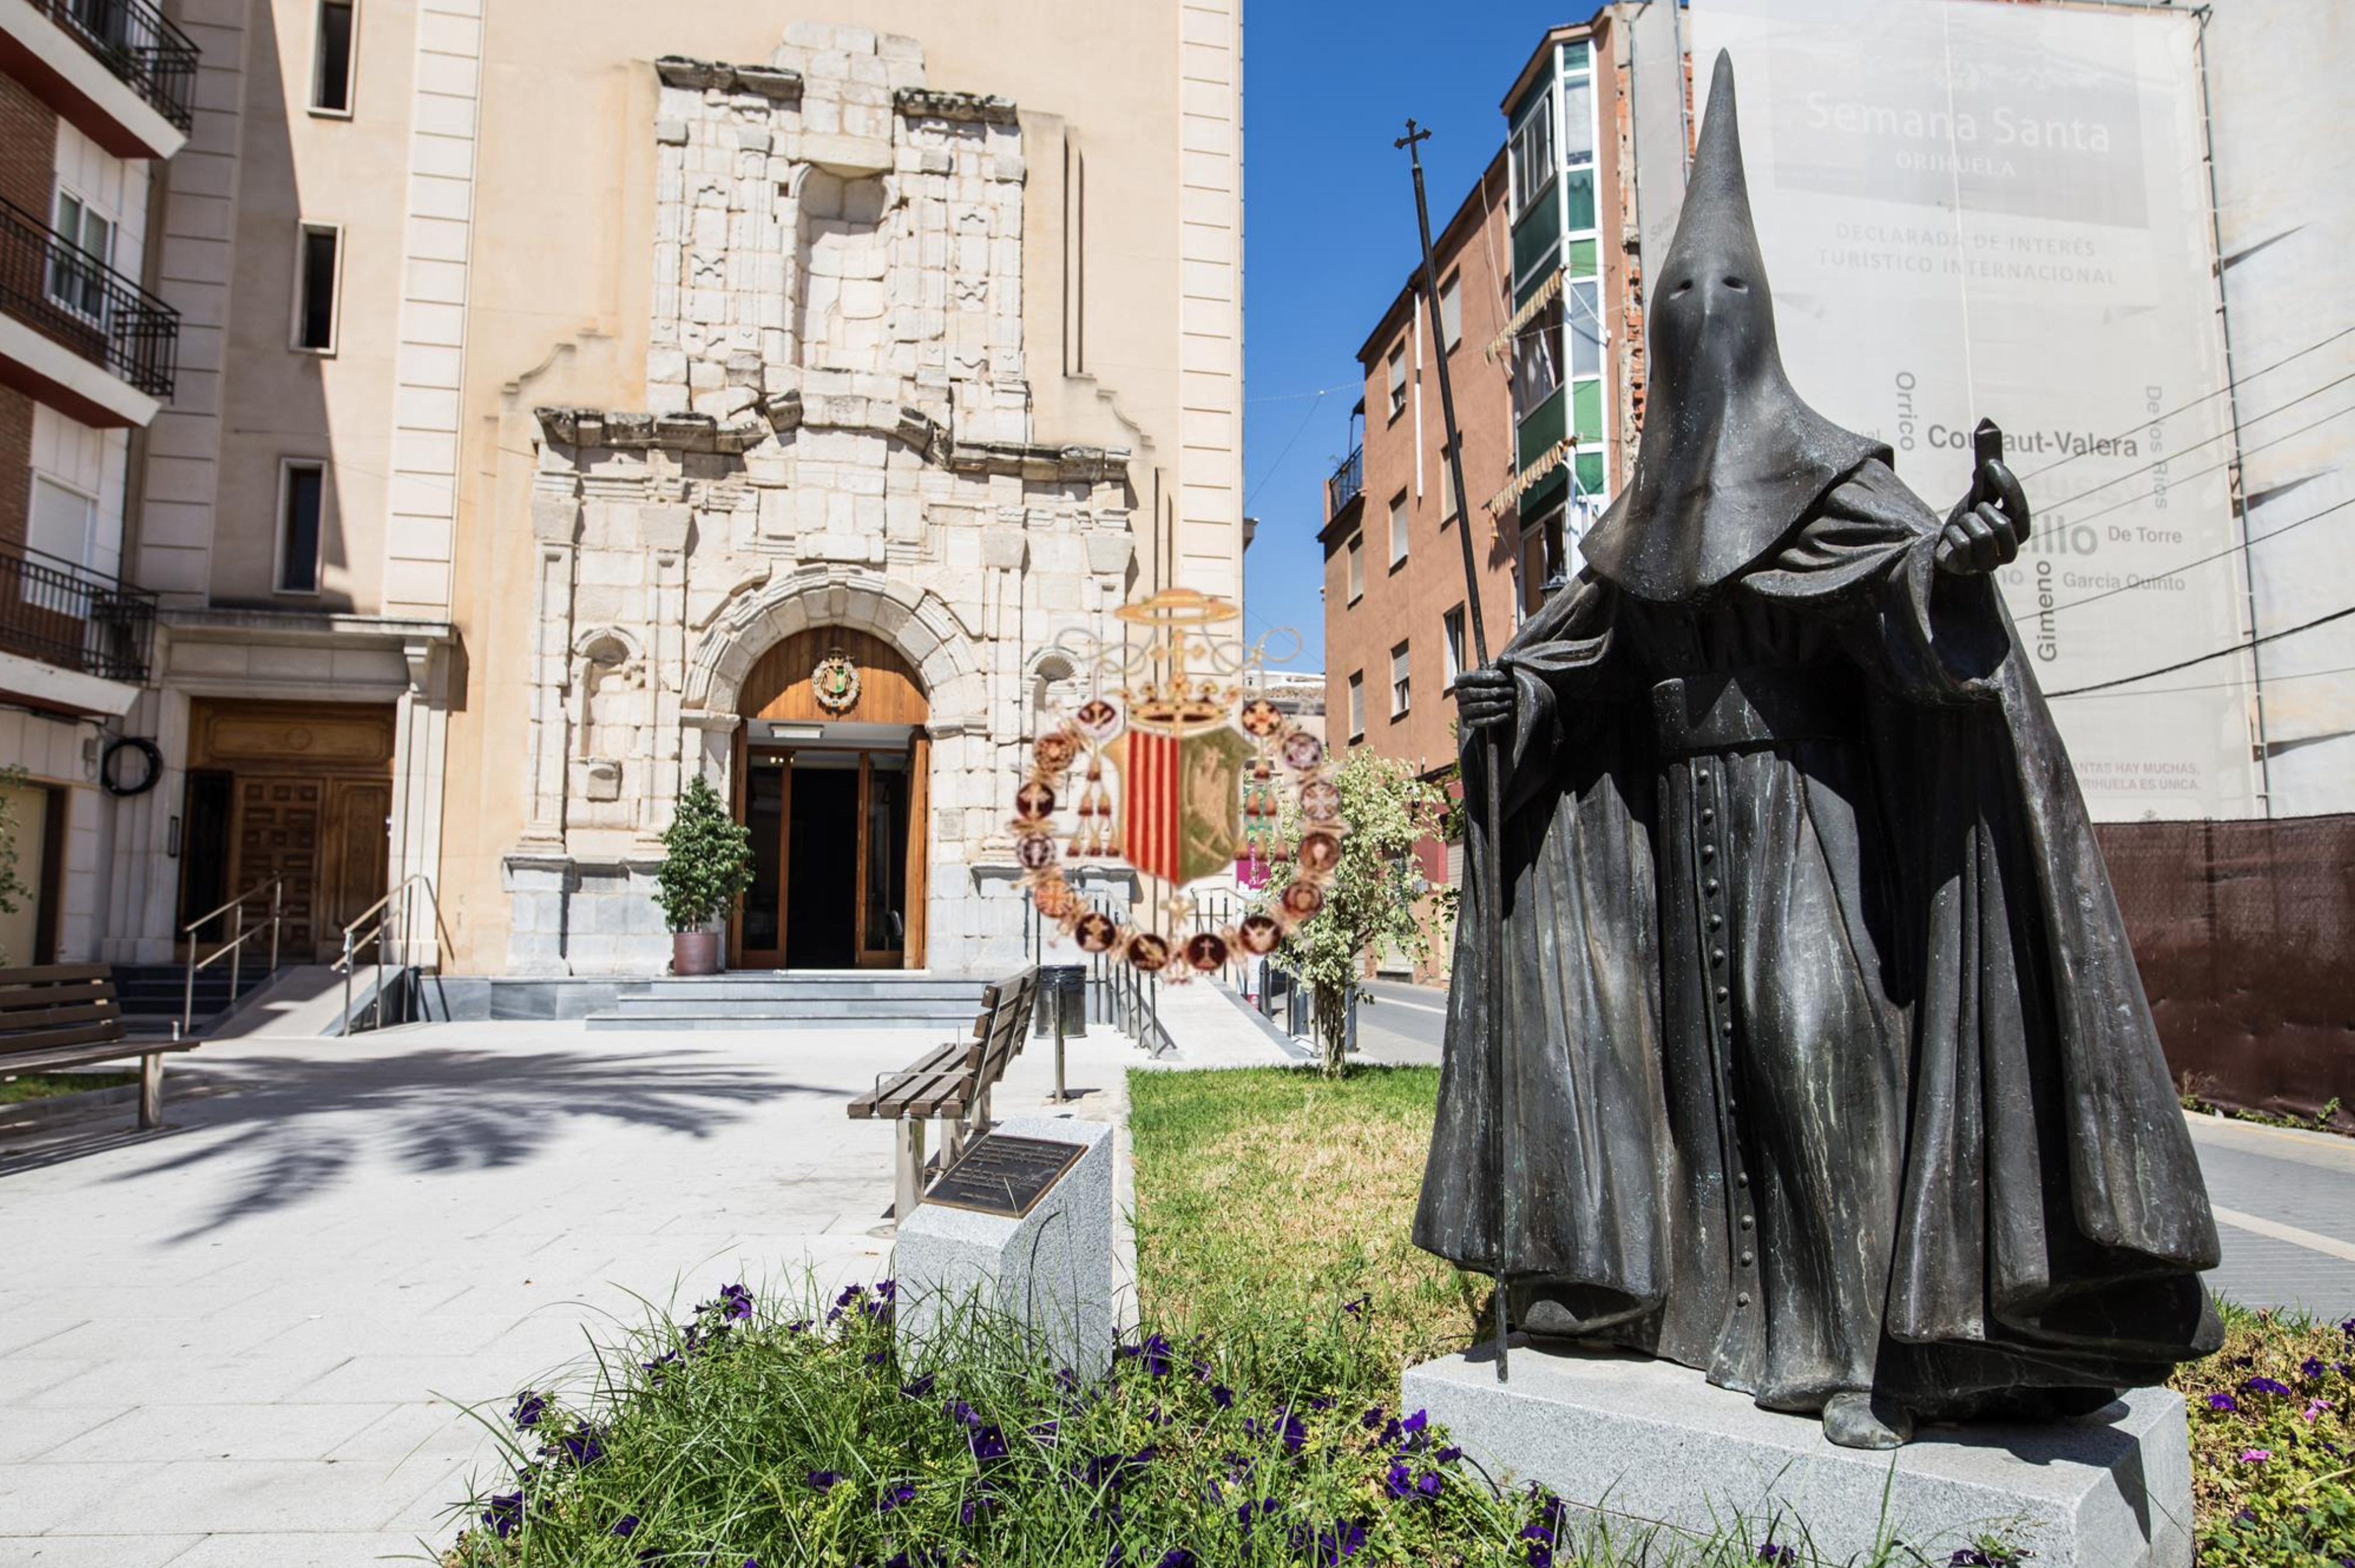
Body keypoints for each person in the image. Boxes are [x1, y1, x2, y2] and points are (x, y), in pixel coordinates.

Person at [1417, 53, 2219, 1450]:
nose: (1702, 315)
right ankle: (1708, 1319)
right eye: (1678, 297)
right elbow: (1579, 670)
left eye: (1727, 294)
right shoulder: (1628, 530)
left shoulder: (1835, 481)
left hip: (1810, 815)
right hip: (1675, 832)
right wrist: (1517, 711)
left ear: (1762, 316)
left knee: (1814, 1045)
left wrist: (1955, 567)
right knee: (1701, 1079)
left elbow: (1906, 602)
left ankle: (1873, 1352)